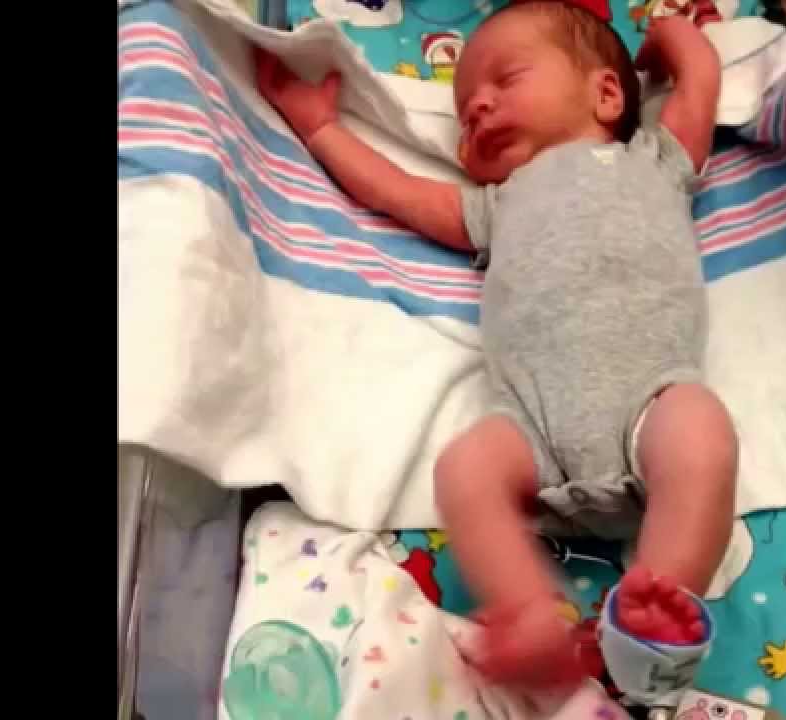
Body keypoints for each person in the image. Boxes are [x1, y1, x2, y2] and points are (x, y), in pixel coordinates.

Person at [256, 0, 735, 689]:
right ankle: (529, 614)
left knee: (702, 432)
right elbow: (394, 191)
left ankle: (653, 614)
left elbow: (699, 81)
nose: (477, 106)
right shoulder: (496, 205)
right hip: (530, 429)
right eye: (464, 113)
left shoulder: (654, 161)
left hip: (650, 404)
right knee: (464, 469)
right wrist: (322, 129)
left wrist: (668, 35)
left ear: (606, 94)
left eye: (506, 79)